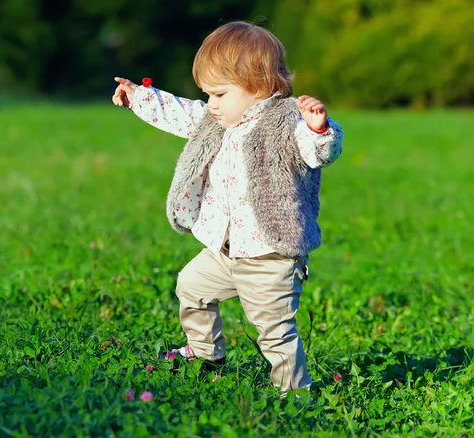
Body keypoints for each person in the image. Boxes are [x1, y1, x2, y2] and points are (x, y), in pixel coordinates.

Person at [112, 21, 343, 393]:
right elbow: (182, 112)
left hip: (270, 256)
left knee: (275, 333)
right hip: (226, 250)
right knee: (191, 285)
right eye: (208, 94)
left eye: (219, 94)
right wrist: (139, 97)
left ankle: (296, 392)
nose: (211, 104)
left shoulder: (287, 122)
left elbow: (317, 153)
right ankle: (206, 355)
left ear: (258, 85)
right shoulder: (218, 120)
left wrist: (320, 130)